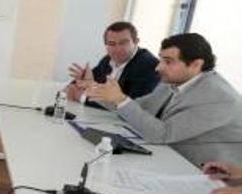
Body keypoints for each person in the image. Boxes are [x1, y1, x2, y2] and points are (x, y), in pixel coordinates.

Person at [87, 33, 242, 166]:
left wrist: (120, 99)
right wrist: (94, 90)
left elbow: (162, 135)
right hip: (172, 159)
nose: (158, 67)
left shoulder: (219, 98)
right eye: (161, 60)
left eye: (168, 61)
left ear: (196, 64)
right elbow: (138, 107)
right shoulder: (174, 81)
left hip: (211, 180)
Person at [66, 21, 160, 107]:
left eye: (123, 43)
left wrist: (82, 97)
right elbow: (78, 86)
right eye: (111, 43)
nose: (117, 49)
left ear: (136, 42)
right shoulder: (108, 59)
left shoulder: (150, 66)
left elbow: (130, 107)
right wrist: (80, 81)